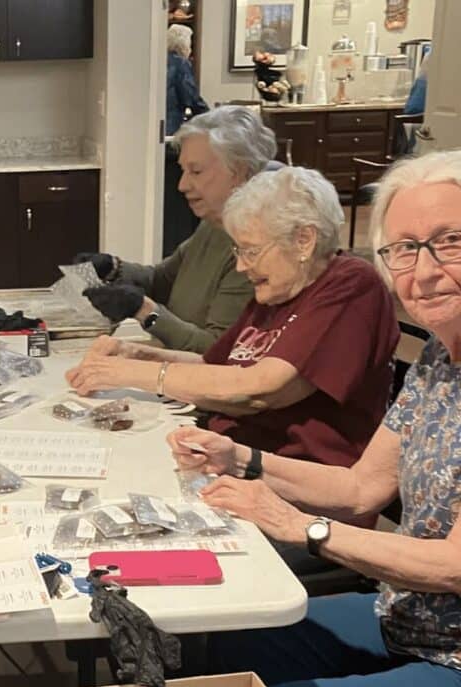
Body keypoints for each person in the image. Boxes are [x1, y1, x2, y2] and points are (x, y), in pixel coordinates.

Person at [167, 149, 461, 687]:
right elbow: (361, 487)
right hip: (409, 621)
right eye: (404, 249)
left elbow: (453, 566)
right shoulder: (442, 360)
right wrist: (240, 458)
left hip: (455, 664)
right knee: (225, 643)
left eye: (450, 242)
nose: (425, 270)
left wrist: (302, 527)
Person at [67, 167, 400, 473]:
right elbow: (217, 368)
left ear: (304, 240)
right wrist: (138, 355)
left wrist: (131, 373)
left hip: (291, 486)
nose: (241, 267)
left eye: (250, 251)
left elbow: (257, 391)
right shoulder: (279, 290)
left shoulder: (351, 285)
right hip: (228, 460)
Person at [74, 105, 276, 352]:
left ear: (240, 171)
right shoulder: (214, 225)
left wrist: (144, 311)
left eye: (196, 171)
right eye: (183, 171)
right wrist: (112, 268)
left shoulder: (257, 250)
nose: (182, 185)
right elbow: (163, 279)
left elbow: (216, 351)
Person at [166, 24, 209, 136]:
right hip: (171, 121)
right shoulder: (180, 63)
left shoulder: (161, 60)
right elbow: (190, 95)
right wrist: (209, 116)